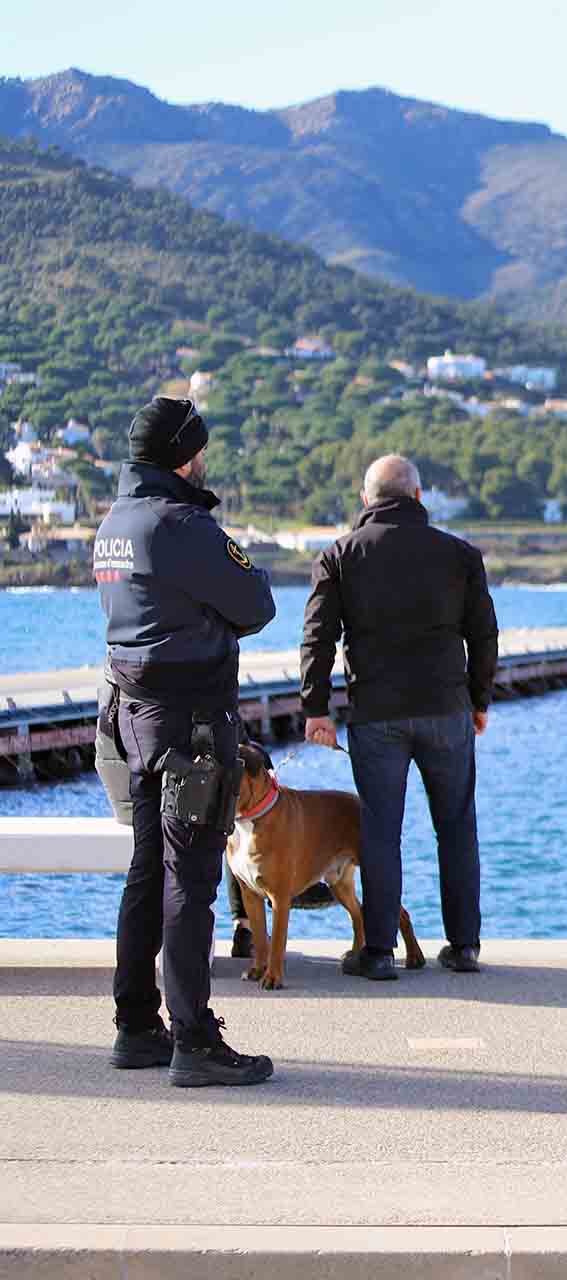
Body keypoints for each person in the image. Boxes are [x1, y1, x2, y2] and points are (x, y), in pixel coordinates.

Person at [93, 396, 276, 1086]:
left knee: (147, 870)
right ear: (183, 453)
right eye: (199, 448)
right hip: (191, 725)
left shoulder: (115, 521)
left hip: (134, 721)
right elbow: (256, 602)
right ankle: (194, 1040)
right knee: (192, 878)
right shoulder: (180, 523)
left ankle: (136, 1024)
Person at [301, 455, 499, 981]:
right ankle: (464, 946)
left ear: (366, 500)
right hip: (446, 709)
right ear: (418, 496)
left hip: (377, 712)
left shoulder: (340, 555)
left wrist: (315, 708)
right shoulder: (459, 554)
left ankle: (380, 951)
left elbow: (318, 637)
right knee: (456, 827)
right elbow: (483, 635)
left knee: (381, 833)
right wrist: (479, 700)